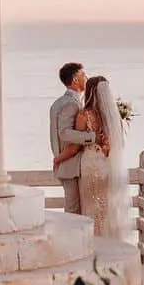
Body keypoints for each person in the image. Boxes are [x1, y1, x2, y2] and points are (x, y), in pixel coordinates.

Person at [74, 75, 132, 239]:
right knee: (105, 206)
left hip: (90, 164)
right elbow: (118, 144)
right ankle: (108, 240)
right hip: (106, 164)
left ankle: (92, 241)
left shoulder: (84, 115)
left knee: (90, 204)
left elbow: (76, 143)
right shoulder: (115, 119)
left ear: (90, 92)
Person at [49, 61, 97, 214]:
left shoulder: (60, 102)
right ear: (75, 79)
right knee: (73, 211)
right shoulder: (71, 103)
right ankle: (69, 238)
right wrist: (93, 137)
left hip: (66, 163)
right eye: (84, 74)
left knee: (74, 210)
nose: (86, 77)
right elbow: (65, 133)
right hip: (70, 164)